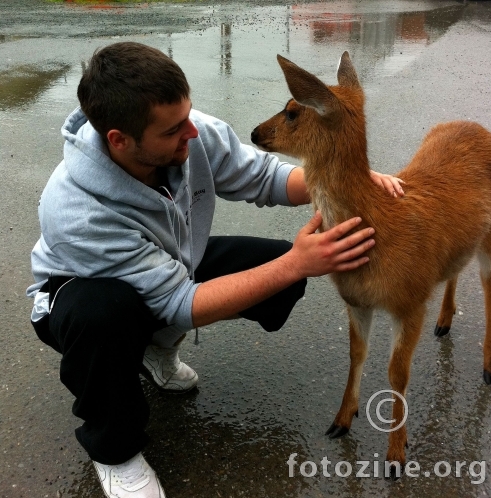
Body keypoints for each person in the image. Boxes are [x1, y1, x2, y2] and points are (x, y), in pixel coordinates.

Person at [27, 42, 404, 498]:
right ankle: (115, 450)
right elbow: (179, 303)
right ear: (119, 140)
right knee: (105, 314)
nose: (192, 131)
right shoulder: (77, 212)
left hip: (166, 265)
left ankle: (153, 350)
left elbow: (265, 178)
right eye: (173, 130)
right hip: (81, 295)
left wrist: (352, 178)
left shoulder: (187, 131)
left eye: (188, 115)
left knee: (277, 273)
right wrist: (297, 262)